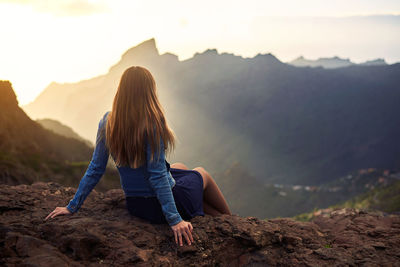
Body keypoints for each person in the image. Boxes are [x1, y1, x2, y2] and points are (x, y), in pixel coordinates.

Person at [44, 66, 231, 247]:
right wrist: (175, 220)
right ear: (149, 92)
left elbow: (96, 168)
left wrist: (72, 206)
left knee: (180, 166)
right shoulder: (152, 123)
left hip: (136, 205)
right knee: (201, 173)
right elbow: (157, 175)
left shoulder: (108, 122)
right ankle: (231, 221)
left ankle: (219, 219)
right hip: (160, 207)